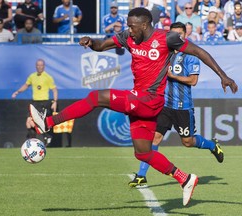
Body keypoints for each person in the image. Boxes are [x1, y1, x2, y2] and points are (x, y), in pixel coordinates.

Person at [29, 7, 238, 206]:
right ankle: (185, 178)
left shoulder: (167, 38)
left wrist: (224, 76)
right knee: (143, 152)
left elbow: (199, 52)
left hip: (150, 99)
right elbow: (102, 46)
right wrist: (91, 42)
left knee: (95, 97)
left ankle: (48, 122)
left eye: (132, 26)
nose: (129, 30)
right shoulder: (128, 38)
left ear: (145, 25)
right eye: (128, 26)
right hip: (140, 102)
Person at [128, 22, 224, 188]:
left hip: (182, 106)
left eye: (179, 34)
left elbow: (193, 81)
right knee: (154, 138)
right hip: (164, 105)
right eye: (172, 34)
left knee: (188, 142)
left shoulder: (190, 56)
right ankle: (141, 175)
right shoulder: (164, 52)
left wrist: (172, 76)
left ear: (185, 36)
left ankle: (212, 145)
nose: (175, 37)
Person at [12, 59, 58, 146]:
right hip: (34, 103)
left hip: (44, 102)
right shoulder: (32, 76)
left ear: (44, 66)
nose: (39, 67)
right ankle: (35, 141)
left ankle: (45, 136)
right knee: (28, 123)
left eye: (41, 65)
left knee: (35, 121)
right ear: (36, 66)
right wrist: (17, 92)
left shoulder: (48, 77)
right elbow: (26, 85)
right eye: (38, 65)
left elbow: (54, 90)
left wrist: (55, 101)